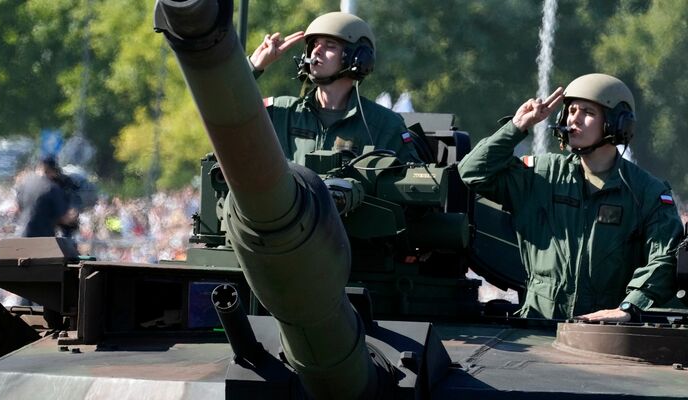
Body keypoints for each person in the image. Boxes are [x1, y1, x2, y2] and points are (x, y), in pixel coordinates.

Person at [458, 73, 683, 322]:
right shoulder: (541, 177)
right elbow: (473, 172)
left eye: (587, 112)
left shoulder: (646, 192)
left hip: (604, 333)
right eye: (571, 110)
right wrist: (517, 126)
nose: (573, 119)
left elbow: (664, 258)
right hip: (537, 325)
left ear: (617, 123)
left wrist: (629, 308)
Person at [248, 12, 419, 165]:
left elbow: (412, 190)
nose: (316, 52)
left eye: (330, 45)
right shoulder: (281, 113)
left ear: (357, 59)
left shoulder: (385, 125)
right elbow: (224, 119)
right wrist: (252, 67)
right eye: (314, 44)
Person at [16, 156, 77, 237]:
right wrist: (74, 215)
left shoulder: (25, 183)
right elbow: (64, 218)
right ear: (52, 171)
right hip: (43, 238)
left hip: (22, 234)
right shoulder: (52, 188)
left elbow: (19, 208)